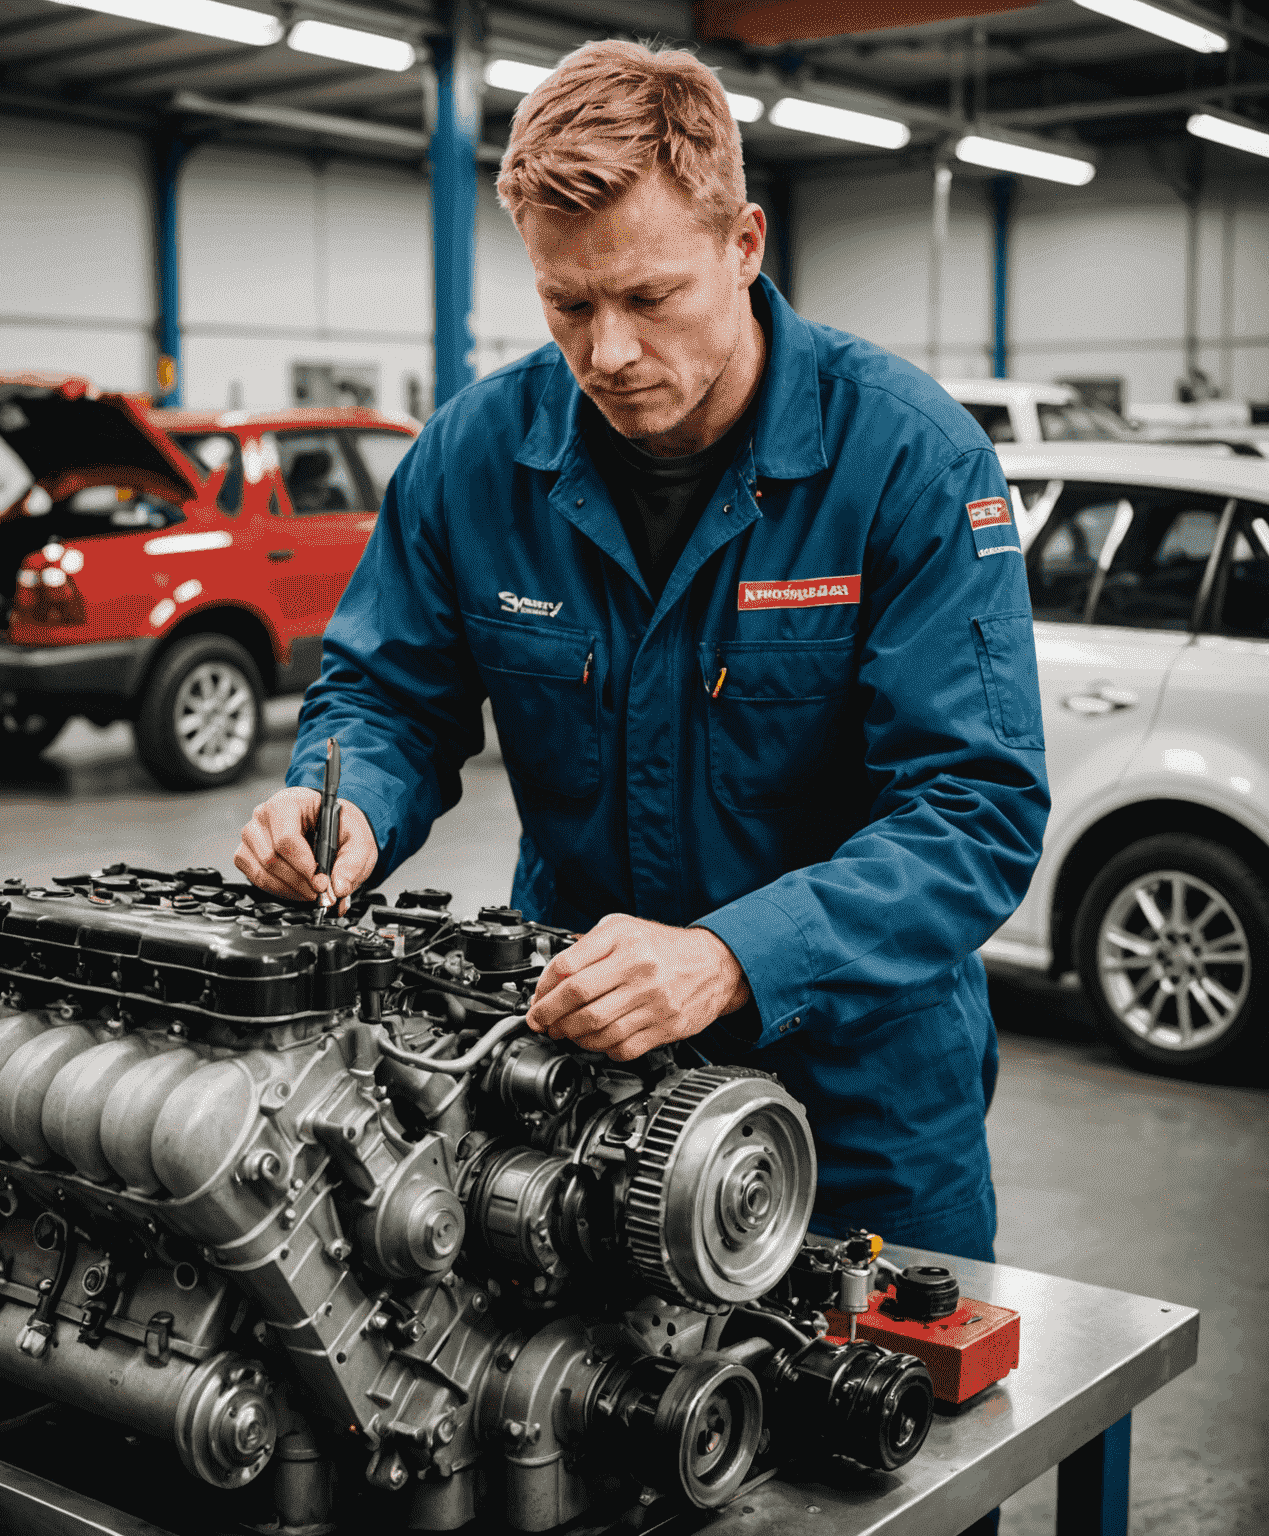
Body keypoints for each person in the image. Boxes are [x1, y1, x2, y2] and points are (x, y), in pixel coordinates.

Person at [235, 39, 1049, 1271]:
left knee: (877, 1443)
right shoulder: (472, 458)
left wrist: (733, 957)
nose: (607, 351)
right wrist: (340, 800)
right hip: (573, 1073)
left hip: (861, 1103)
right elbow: (388, 694)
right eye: (569, 304)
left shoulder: (908, 465)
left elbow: (973, 806)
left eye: (649, 299)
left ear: (745, 246)